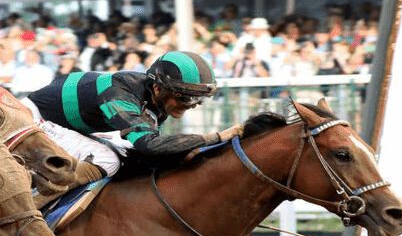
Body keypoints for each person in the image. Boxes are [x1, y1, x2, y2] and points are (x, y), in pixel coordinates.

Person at [21, 50, 243, 190]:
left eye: (199, 99)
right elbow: (150, 147)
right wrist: (216, 138)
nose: (193, 104)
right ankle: (32, 207)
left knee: (126, 155)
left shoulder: (155, 100)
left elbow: (146, 152)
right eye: (186, 97)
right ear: (158, 88)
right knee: (107, 159)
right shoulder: (121, 94)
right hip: (35, 117)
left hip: (74, 123)